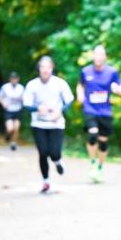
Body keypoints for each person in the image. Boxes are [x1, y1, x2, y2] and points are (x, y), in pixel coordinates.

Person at [23, 56, 75, 194]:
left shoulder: (60, 83)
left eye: (48, 67)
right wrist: (37, 108)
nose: (45, 70)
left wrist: (60, 111)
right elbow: (26, 104)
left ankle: (57, 162)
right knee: (43, 152)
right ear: (39, 69)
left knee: (54, 152)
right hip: (38, 124)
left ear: (52, 69)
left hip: (56, 123)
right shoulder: (32, 85)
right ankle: (46, 181)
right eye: (42, 67)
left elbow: (69, 100)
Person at [76, 45, 121, 182]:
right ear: (93, 56)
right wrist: (80, 94)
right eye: (96, 54)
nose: (99, 57)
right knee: (92, 134)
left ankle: (100, 166)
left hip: (105, 111)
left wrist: (119, 89)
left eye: (101, 54)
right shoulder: (85, 71)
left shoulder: (112, 72)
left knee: (103, 141)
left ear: (105, 57)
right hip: (90, 109)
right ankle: (92, 163)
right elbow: (80, 84)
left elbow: (120, 86)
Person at [0, 72, 25, 150]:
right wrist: (3, 103)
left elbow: (25, 98)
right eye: (13, 78)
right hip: (9, 110)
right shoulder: (5, 87)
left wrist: (22, 99)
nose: (14, 80)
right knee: (10, 128)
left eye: (15, 78)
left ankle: (14, 143)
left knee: (16, 128)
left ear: (18, 79)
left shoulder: (21, 88)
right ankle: (7, 135)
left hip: (18, 110)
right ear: (10, 79)